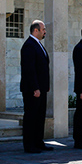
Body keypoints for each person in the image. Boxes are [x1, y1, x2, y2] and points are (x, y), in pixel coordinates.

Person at [20, 20, 51, 153]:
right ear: (36, 30)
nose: (45, 32)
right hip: (33, 90)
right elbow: (29, 69)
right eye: (43, 29)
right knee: (31, 117)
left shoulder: (38, 45)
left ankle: (38, 141)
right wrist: (35, 88)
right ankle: (29, 144)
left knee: (40, 117)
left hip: (41, 88)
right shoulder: (29, 45)